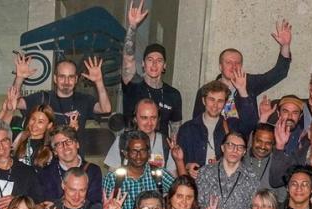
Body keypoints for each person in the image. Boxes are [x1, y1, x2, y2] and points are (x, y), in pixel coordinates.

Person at [191, 22, 293, 120]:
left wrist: (285, 46)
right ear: (220, 66)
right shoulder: (207, 91)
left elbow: (279, 73)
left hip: (244, 136)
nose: (233, 66)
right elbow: (196, 122)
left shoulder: (249, 83)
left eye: (237, 63)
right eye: (228, 62)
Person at [10, 55, 112, 147]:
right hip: (44, 161)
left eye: (70, 77)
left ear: (76, 79)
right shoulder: (42, 98)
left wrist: (99, 82)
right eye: (62, 77)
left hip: (72, 162)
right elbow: (14, 103)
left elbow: (105, 109)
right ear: (55, 78)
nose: (66, 82)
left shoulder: (84, 100)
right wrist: (19, 78)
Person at [121, 5, 182, 134]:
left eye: (159, 60)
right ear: (143, 63)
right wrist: (132, 27)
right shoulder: (133, 84)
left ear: (164, 65)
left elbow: (175, 128)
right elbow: (128, 58)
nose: (154, 64)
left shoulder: (173, 95)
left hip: (160, 150)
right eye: (150, 60)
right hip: (134, 148)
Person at [176, 80, 257, 175]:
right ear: (203, 100)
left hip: (223, 184)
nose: (215, 105)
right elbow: (179, 160)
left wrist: (242, 91)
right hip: (195, 184)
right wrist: (188, 166)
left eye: (220, 101)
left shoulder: (232, 125)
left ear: (225, 103)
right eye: (211, 99)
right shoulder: (187, 128)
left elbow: (251, 124)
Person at [100, 132, 175, 209]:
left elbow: (182, 191)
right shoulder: (112, 179)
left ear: (148, 153)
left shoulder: (159, 174)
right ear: (126, 153)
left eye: (143, 151)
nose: (138, 156)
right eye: (134, 151)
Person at [195, 130, 260, 209]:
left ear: (244, 152)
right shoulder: (205, 172)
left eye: (240, 147)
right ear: (222, 148)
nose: (235, 150)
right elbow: (196, 204)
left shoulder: (251, 177)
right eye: (230, 145)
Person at [38, 127, 102, 206]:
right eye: (59, 144)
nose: (65, 147)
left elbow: (94, 203)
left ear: (77, 144)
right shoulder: (46, 173)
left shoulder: (93, 170)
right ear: (54, 151)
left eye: (69, 141)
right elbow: (47, 203)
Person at [104, 100, 172, 173]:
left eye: (153, 117)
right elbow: (111, 178)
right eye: (144, 118)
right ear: (135, 118)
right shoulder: (122, 141)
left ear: (158, 119)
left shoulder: (166, 143)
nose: (149, 123)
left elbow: (173, 179)